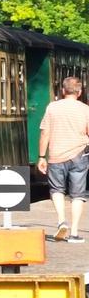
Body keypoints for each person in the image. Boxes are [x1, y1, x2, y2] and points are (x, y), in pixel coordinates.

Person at [37, 75, 89, 243]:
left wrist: (41, 156)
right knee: (78, 195)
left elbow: (45, 133)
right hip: (79, 155)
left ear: (62, 90)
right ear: (79, 92)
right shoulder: (85, 109)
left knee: (57, 190)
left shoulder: (52, 108)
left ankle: (61, 221)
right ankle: (74, 232)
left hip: (56, 156)